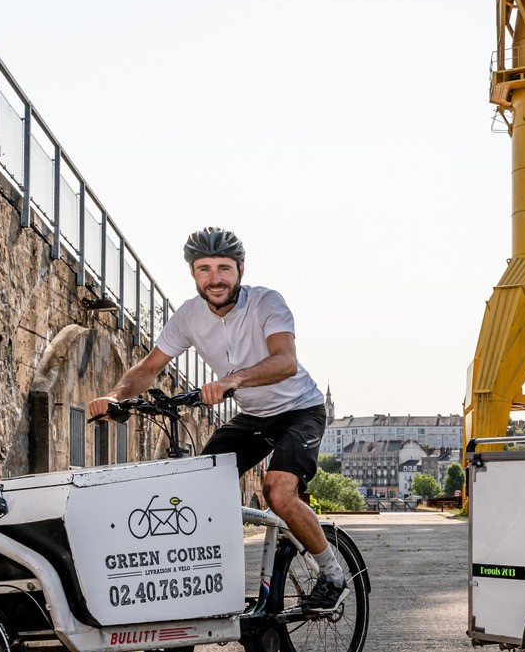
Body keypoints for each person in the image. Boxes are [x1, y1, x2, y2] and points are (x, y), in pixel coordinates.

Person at [88, 227, 347, 609]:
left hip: (299, 410)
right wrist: (116, 395)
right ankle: (208, 577)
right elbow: (149, 367)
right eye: (204, 269)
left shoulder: (266, 303)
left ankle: (333, 574)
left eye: (224, 268)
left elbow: (285, 360)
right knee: (200, 488)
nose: (215, 279)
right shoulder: (189, 316)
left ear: (240, 269)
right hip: (254, 415)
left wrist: (233, 379)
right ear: (193, 274)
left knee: (278, 491)